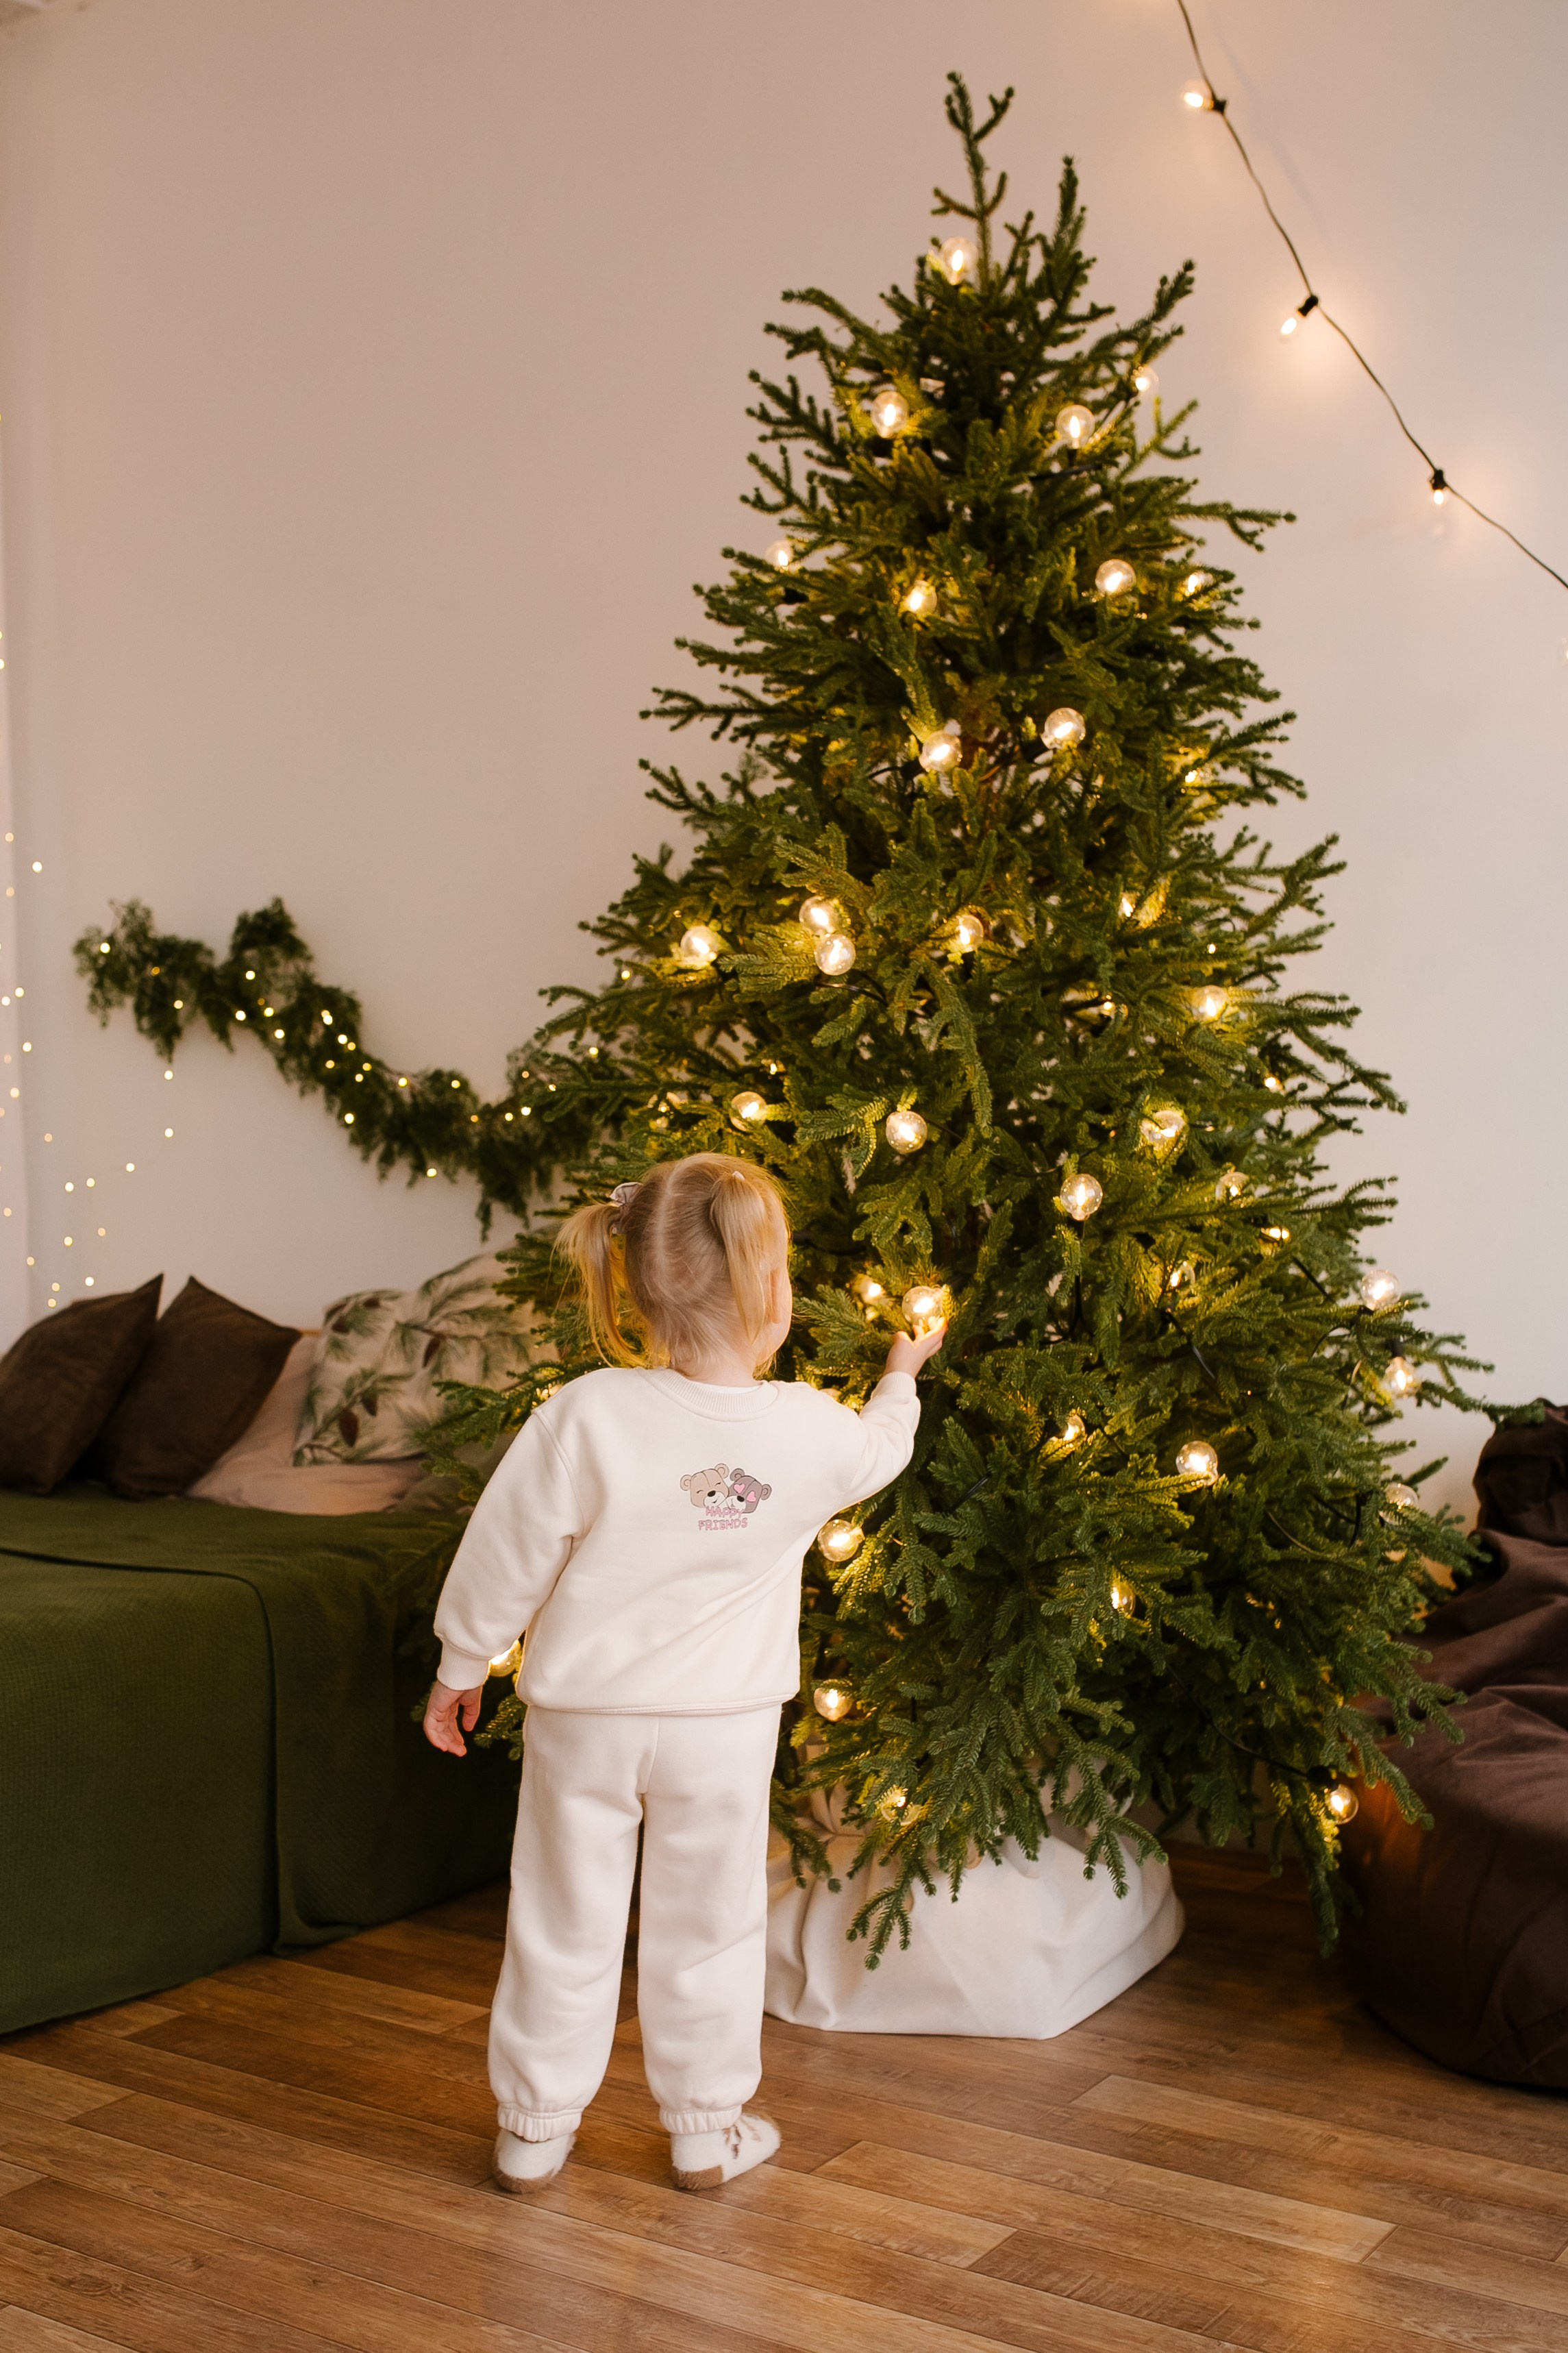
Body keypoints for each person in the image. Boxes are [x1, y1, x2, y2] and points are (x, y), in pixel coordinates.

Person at [422, 1152, 945, 2195]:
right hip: (725, 1725)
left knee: (560, 1915)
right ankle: (704, 2128)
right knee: (710, 1922)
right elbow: (882, 1449)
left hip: (586, 1719)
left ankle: (534, 2130)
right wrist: (901, 1371)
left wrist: (460, 1662)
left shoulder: (587, 1413)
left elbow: (506, 1550)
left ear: (638, 1284)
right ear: (771, 1290)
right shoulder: (806, 1427)